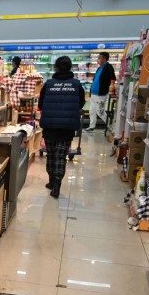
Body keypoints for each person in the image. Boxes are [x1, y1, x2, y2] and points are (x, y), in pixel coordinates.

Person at [38, 56, 86, 198]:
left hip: (50, 125)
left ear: (56, 68)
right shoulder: (77, 85)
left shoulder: (48, 84)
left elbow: (40, 105)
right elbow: (81, 104)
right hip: (67, 127)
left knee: (51, 154)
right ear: (70, 67)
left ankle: (51, 180)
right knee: (61, 155)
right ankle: (57, 184)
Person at [84, 51, 116, 132]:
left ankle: (111, 126)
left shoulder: (108, 67)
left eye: (99, 58)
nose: (97, 59)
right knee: (92, 110)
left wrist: (112, 86)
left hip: (101, 94)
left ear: (104, 59)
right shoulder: (99, 68)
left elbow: (113, 78)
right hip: (94, 93)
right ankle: (91, 126)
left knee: (100, 111)